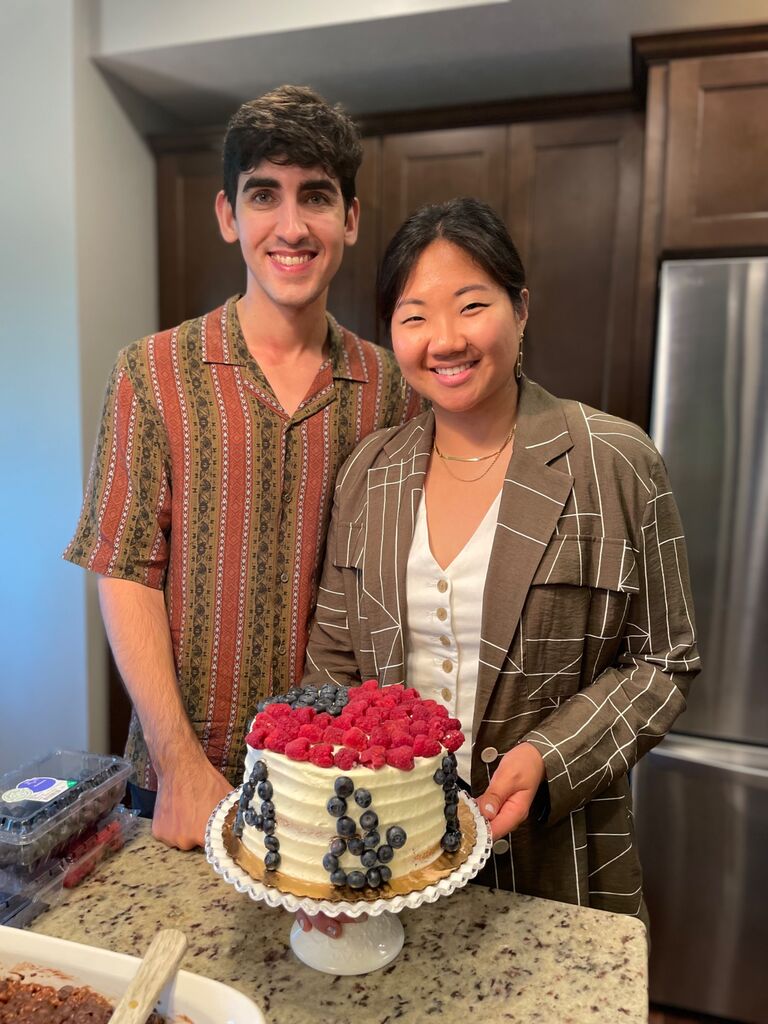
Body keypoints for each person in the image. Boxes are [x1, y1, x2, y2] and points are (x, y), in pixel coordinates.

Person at [300, 197, 700, 928]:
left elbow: (664, 661)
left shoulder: (614, 460)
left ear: (520, 309)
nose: (444, 339)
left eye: (471, 305)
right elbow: (332, 660)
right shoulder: (368, 473)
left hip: (559, 855)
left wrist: (552, 756)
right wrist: (332, 819)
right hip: (393, 852)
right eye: (414, 315)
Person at [64, 85, 421, 851]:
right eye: (265, 194)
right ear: (229, 215)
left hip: (336, 786)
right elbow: (125, 569)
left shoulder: (393, 388)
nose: (291, 227)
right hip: (178, 783)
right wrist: (180, 764)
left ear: (350, 219)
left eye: (316, 197)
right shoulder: (152, 372)